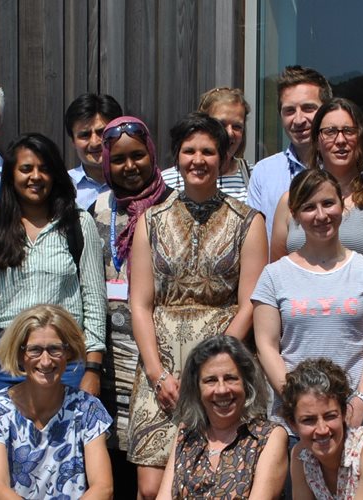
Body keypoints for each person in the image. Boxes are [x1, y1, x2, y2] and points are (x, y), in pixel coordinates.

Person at [128, 112, 267, 498]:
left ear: (223, 158)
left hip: (222, 363)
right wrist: (157, 374)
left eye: (208, 151)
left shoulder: (248, 221)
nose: (198, 160)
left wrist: (212, 362)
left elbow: (251, 302)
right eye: (189, 150)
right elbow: (140, 304)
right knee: (153, 486)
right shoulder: (150, 221)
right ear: (177, 157)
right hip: (162, 362)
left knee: (218, 477)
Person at [0, 133, 106, 397]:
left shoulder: (78, 223)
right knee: (3, 437)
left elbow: (94, 300)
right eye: (26, 169)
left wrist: (93, 369)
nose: (36, 177)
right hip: (4, 357)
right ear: (11, 175)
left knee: (64, 436)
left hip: (65, 356)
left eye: (44, 169)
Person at [255, 167, 363, 429]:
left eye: (328, 203)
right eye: (309, 207)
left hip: (358, 420)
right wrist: (296, 403)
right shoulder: (273, 276)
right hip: (296, 425)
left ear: (342, 207)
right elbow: (266, 346)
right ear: (295, 214)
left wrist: (360, 402)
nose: (321, 215)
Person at [88, 115, 174, 467]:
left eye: (137, 155)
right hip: (108, 359)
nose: (130, 166)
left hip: (158, 355)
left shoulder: (173, 206)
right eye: (119, 159)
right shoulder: (96, 209)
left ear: (152, 154)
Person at [0, 304, 114, 499]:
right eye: (35, 350)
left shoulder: (88, 408)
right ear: (20, 354)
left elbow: (103, 487)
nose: (45, 361)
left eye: (54, 349)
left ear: (68, 352)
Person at [269, 97, 363, 295]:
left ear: (360, 138)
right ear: (317, 141)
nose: (341, 140)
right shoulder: (290, 201)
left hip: (359, 321)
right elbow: (276, 275)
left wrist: (329, 293)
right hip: (301, 321)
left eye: (349, 131)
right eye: (330, 132)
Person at [247, 66, 363, 239]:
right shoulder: (263, 173)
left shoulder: (361, 168)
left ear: (327, 111)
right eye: (289, 111)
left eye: (308, 108)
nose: (298, 120)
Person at [155, 335, 288, 499]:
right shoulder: (186, 433)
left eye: (230, 378)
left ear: (246, 383)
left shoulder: (268, 436)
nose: (222, 390)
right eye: (210, 380)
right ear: (197, 388)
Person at [283, 357, 363, 500]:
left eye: (330, 416)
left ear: (344, 413)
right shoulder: (301, 455)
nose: (322, 429)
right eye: (308, 420)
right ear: (293, 424)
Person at [162, 87, 254, 203]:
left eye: (237, 126)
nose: (229, 133)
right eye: (221, 124)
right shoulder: (166, 182)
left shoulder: (255, 177)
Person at [64, 93, 123, 209]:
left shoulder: (134, 181)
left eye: (101, 132)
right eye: (85, 135)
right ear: (73, 141)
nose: (95, 142)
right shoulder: (62, 187)